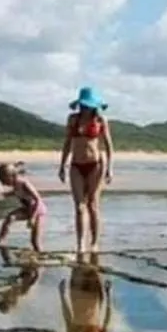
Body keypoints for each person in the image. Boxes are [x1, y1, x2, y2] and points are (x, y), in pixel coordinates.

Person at [58, 86, 113, 254]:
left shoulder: (100, 120)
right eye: (84, 105)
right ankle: (81, 243)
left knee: (92, 205)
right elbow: (67, 143)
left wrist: (110, 168)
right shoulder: (72, 119)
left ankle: (95, 242)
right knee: (79, 206)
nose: (86, 108)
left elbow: (109, 145)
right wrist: (62, 165)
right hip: (76, 165)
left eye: (89, 105)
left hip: (95, 164)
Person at [59, 253, 113, 332]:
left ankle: (82, 244)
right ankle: (92, 243)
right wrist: (109, 295)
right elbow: (107, 321)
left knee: (80, 262)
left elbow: (67, 318)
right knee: (94, 263)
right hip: (94, 298)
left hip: (77, 296)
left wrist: (62, 295)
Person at [0, 162, 46, 253]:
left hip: (38, 211)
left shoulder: (23, 183)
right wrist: (3, 195)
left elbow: (38, 199)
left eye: (4, 181)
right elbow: (15, 192)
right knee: (10, 217)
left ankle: (40, 254)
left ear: (11, 176)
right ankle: (1, 240)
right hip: (27, 209)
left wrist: (33, 218)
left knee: (35, 241)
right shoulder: (15, 185)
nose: (3, 184)